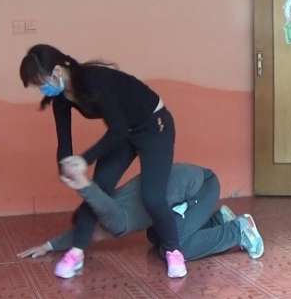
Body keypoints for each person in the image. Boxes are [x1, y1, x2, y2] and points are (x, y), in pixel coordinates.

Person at [19, 44, 185, 278]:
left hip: (154, 126)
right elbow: (64, 140)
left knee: (152, 196)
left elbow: (117, 130)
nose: (42, 89)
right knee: (97, 190)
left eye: (41, 83)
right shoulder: (61, 98)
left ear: (56, 71)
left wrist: (83, 160)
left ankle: (173, 251)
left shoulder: (94, 81)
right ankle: (76, 253)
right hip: (124, 132)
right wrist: (65, 167)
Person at [17, 163, 264, 266]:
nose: (89, 240)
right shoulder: (111, 209)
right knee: (155, 237)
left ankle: (239, 230)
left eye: (88, 235)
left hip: (202, 187)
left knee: (176, 249)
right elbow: (83, 229)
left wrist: (82, 184)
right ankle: (218, 220)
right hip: (186, 191)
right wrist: (48, 245)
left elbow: (97, 203)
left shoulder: (116, 219)